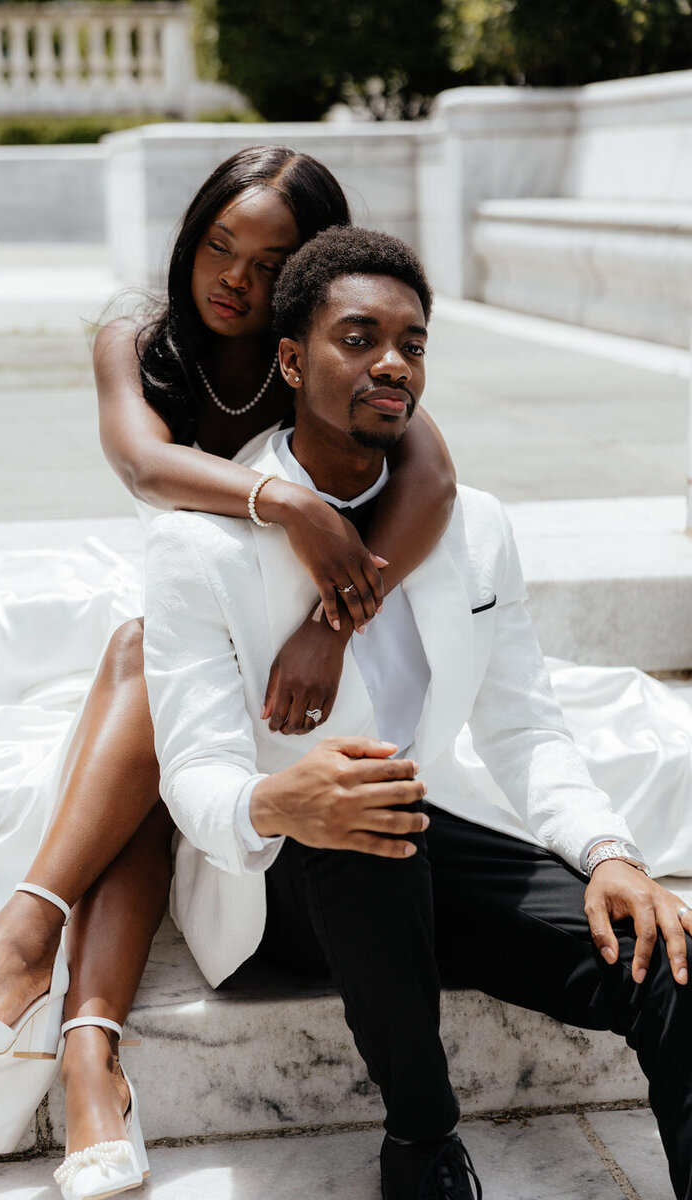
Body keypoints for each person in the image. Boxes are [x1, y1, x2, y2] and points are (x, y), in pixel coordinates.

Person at [0, 148, 457, 1192]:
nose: (233, 278)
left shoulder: (333, 350)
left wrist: (334, 623)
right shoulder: (138, 335)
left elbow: (432, 480)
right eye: (216, 246)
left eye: (270, 259)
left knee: (156, 694)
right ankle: (76, 1029)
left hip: (281, 626)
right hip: (166, 594)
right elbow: (143, 465)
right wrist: (284, 502)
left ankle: (54, 993)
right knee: (143, 656)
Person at [140, 227, 692, 1200]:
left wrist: (609, 853)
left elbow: (523, 729)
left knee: (668, 966)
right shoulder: (200, 550)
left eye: (411, 342)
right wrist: (279, 800)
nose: (391, 361)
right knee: (362, 817)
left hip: (423, 831)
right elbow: (192, 771)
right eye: (357, 337)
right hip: (277, 877)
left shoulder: (472, 526)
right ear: (288, 358)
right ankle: (421, 1144)